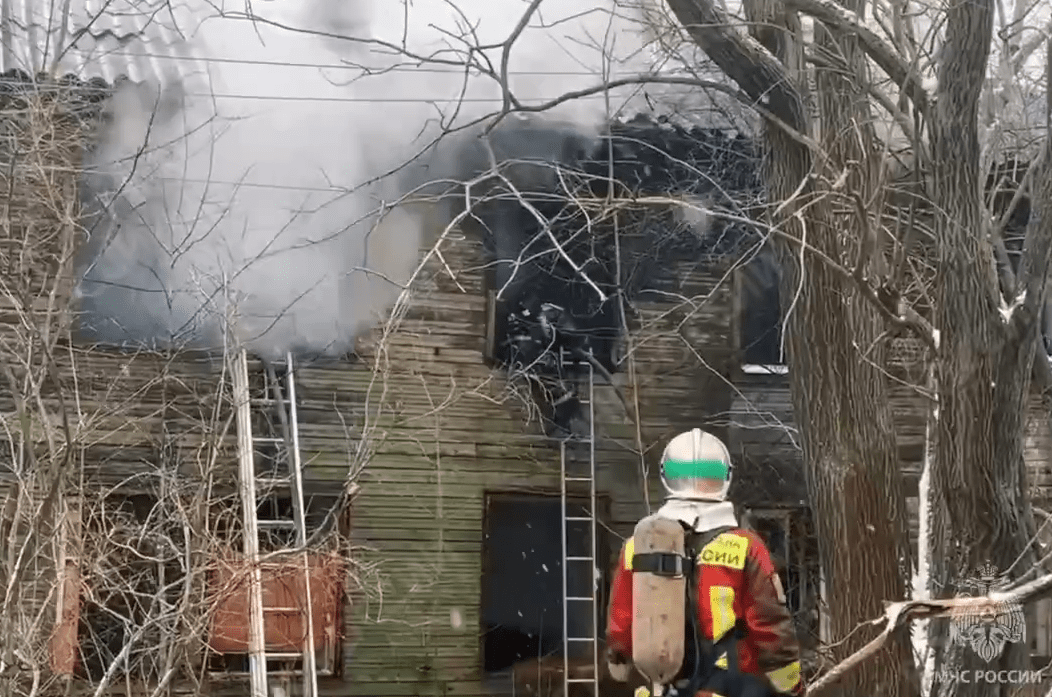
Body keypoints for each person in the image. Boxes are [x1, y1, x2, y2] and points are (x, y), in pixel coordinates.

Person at [605, 428, 805, 697]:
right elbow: (770, 629)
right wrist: (792, 686)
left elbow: (620, 628)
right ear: (725, 477)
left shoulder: (636, 547)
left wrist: (621, 666)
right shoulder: (746, 547)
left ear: (667, 476)